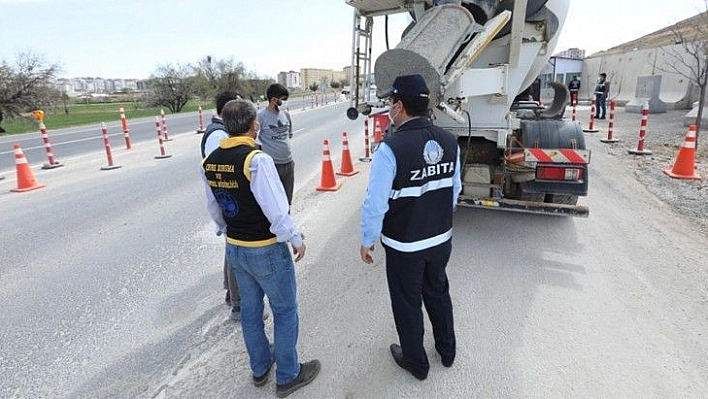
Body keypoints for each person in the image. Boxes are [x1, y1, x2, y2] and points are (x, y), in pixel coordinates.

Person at [201, 99, 320, 397]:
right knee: (284, 310)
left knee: (251, 312)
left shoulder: (210, 160)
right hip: (265, 248)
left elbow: (214, 208)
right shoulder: (257, 160)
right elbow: (277, 210)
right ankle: (289, 375)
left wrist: (227, 230)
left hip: (236, 248)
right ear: (254, 125)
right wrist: (295, 238)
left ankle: (260, 367)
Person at [359, 74, 462, 381]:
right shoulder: (449, 140)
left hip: (405, 246)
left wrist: (368, 239)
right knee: (438, 291)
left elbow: (375, 204)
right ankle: (447, 351)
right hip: (440, 239)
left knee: (407, 302)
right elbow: (454, 191)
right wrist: (437, 217)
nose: (390, 107)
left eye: (391, 102)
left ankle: (417, 362)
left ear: (400, 105)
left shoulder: (390, 149)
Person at [200, 91, 243, 321]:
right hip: (230, 206)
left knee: (231, 251)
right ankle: (238, 304)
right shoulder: (218, 136)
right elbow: (219, 176)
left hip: (228, 206)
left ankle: (230, 293)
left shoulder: (220, 132)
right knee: (236, 253)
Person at [258, 83, 295, 206]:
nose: (286, 103)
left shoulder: (286, 114)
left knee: (287, 201)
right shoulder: (261, 117)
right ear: (274, 100)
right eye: (284, 100)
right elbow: (254, 140)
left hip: (288, 164)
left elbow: (288, 135)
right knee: (274, 203)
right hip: (272, 166)